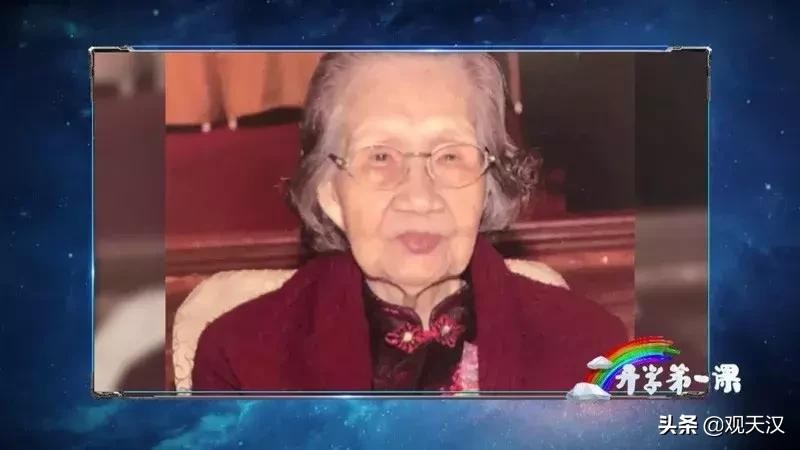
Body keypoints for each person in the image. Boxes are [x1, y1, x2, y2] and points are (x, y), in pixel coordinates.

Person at [192, 52, 627, 392]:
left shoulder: (591, 351)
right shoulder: (243, 360)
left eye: (450, 156)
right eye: (381, 156)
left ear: (487, 185)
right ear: (330, 193)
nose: (420, 197)